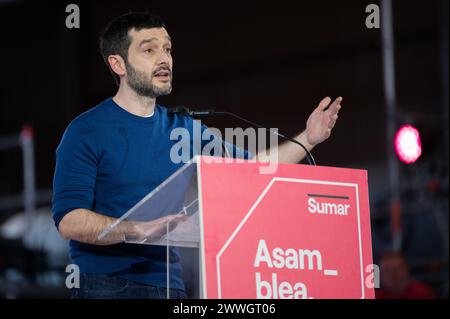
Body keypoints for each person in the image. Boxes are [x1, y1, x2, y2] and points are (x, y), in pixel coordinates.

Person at [52, 12, 342, 299]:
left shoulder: (184, 129)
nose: (164, 58)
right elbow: (69, 220)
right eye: (149, 49)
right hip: (106, 285)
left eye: (167, 49)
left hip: (171, 285)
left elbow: (254, 169)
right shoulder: (85, 131)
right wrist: (137, 229)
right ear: (118, 64)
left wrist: (309, 138)